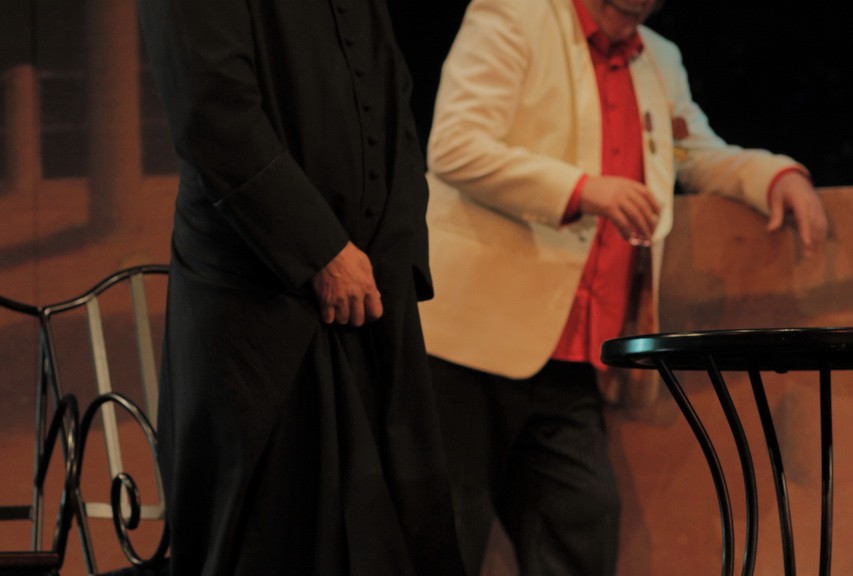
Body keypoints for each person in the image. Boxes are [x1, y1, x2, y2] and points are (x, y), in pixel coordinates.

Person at [419, 0, 829, 574]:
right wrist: (585, 189)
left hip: (573, 354)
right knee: (444, 534)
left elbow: (695, 152)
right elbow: (456, 145)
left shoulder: (657, 57)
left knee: (582, 526)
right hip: (470, 341)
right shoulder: (515, 14)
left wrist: (775, 175)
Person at [137, 1, 466, 574]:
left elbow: (392, 90)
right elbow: (212, 112)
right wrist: (320, 251)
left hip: (370, 302)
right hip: (258, 305)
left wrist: (397, 252)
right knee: (276, 537)